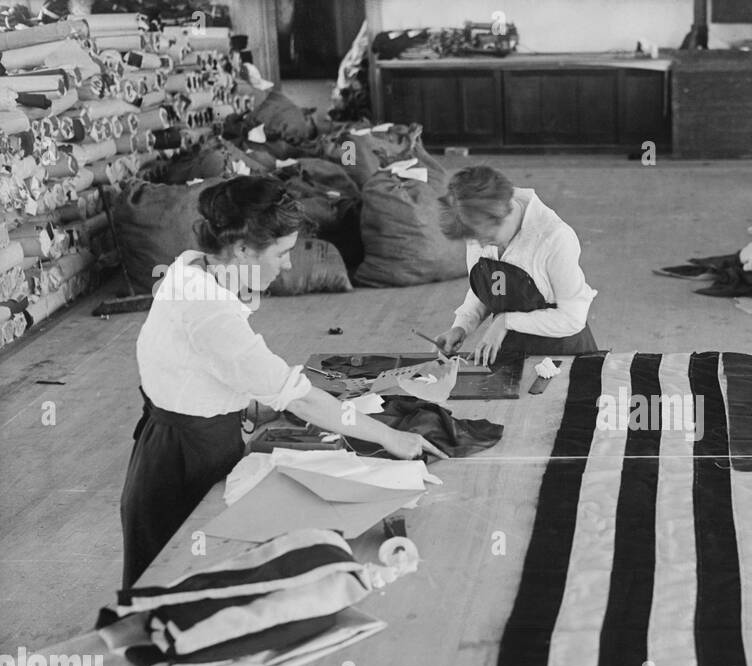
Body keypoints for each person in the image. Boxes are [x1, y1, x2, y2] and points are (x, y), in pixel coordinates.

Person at [121, 176, 442, 588]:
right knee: (175, 581)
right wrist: (390, 438)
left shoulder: (194, 265)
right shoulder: (209, 311)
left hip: (179, 436)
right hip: (184, 461)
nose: (289, 264)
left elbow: (193, 365)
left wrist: (244, 397)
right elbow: (301, 399)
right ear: (240, 248)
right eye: (282, 252)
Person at [430, 166, 598, 365]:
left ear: (504, 212)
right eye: (474, 240)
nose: (481, 246)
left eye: (487, 237)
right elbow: (491, 286)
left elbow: (572, 318)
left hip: (561, 356)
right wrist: (462, 326)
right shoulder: (478, 227)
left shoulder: (554, 238)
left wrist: (506, 322)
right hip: (508, 353)